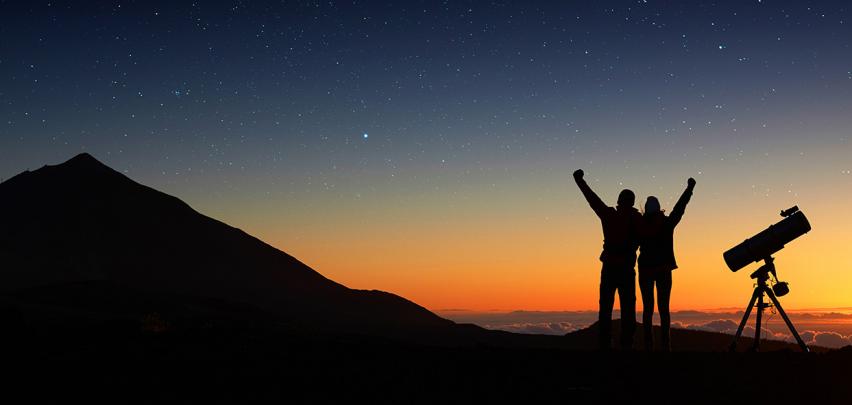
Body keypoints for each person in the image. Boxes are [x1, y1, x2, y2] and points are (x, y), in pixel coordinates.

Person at [573, 169, 642, 350]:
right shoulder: (637, 219)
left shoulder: (609, 215)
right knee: (628, 308)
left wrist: (580, 181)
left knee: (605, 308)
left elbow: (592, 200)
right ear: (632, 202)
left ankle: (605, 344)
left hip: (610, 267)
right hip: (626, 269)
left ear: (619, 201)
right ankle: (626, 344)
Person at [638, 177, 696, 352]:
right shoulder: (667, 224)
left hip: (646, 271)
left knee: (648, 309)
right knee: (664, 309)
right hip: (664, 270)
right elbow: (680, 208)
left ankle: (648, 346)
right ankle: (666, 346)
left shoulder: (640, 225)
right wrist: (689, 189)